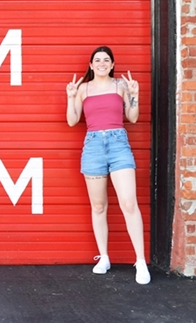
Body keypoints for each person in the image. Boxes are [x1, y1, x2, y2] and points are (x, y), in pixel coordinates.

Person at [66, 46, 151, 285]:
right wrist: (71, 96)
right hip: (92, 146)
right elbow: (72, 121)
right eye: (97, 60)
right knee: (99, 206)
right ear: (91, 66)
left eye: (106, 60)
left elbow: (133, 117)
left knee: (128, 203)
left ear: (112, 64)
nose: (101, 63)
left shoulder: (121, 86)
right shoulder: (83, 88)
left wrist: (135, 94)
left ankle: (140, 261)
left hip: (118, 144)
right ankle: (104, 257)